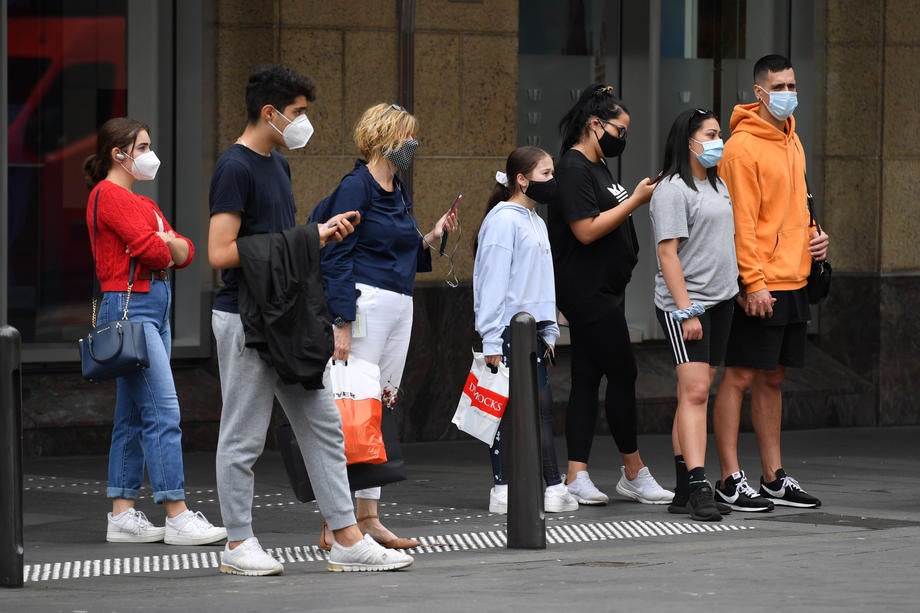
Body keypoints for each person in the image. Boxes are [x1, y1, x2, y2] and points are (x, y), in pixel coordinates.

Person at [208, 65, 413, 574]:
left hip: (285, 314)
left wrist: (319, 235)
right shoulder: (234, 168)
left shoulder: (277, 166)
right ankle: (238, 543)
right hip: (245, 316)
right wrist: (310, 237)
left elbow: (281, 244)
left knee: (323, 425)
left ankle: (346, 536)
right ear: (269, 112)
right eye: (297, 113)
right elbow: (219, 252)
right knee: (243, 434)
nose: (303, 123)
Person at [314, 102, 457, 550]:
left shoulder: (395, 189)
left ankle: (368, 516)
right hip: (365, 303)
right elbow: (335, 254)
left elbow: (401, 248)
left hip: (398, 303)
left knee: (377, 409)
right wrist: (341, 318)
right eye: (406, 137)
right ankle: (336, 519)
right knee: (352, 408)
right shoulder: (356, 187)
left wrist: (432, 238)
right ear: (383, 137)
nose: (412, 146)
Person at [83, 117, 227, 546]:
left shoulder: (138, 202)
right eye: (142, 147)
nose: (149, 154)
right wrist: (164, 243)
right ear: (119, 154)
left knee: (132, 414)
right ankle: (176, 512)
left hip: (151, 309)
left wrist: (165, 243)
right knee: (164, 411)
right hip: (133, 309)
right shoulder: (108, 195)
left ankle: (122, 513)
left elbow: (186, 251)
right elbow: (154, 248)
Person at [713, 54, 829, 511]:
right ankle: (728, 477)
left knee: (773, 378)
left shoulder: (791, 138)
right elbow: (739, 222)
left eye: (792, 85)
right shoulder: (742, 148)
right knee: (739, 376)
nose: (787, 93)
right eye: (779, 86)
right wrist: (752, 283)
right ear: (759, 92)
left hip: (793, 277)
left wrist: (816, 238)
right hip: (760, 281)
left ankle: (773, 476)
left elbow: (792, 207)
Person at [548, 85, 672, 506]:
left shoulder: (597, 167)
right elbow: (585, 229)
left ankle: (575, 473)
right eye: (620, 129)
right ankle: (633, 470)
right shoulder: (573, 168)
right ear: (595, 124)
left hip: (605, 290)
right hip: (589, 293)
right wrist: (636, 200)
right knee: (623, 373)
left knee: (588, 378)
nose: (623, 137)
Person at [473, 146, 579, 515]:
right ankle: (516, 487)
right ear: (522, 179)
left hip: (530, 329)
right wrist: (490, 337)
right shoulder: (504, 221)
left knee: (536, 409)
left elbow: (540, 281)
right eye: (546, 173)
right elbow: (492, 282)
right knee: (509, 410)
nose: (553, 181)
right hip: (508, 330)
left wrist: (549, 329)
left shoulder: (535, 220)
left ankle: (544, 487)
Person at [649, 108, 739, 521]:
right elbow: (667, 253)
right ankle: (700, 484)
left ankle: (685, 487)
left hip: (721, 301)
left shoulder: (717, 185)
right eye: (712, 133)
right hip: (687, 304)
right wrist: (687, 310)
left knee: (698, 391)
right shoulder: (672, 190)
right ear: (689, 140)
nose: (719, 140)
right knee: (696, 391)